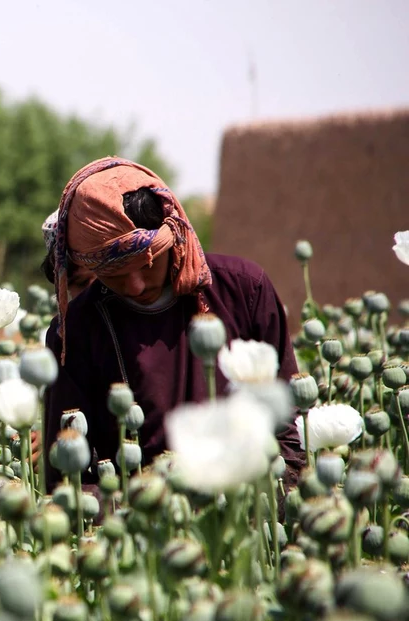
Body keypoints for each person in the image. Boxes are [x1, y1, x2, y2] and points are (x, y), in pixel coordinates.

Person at [39, 157, 304, 492]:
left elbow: (285, 432)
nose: (135, 285)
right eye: (115, 274)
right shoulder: (76, 330)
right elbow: (69, 481)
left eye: (147, 263)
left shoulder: (243, 289)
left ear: (174, 233)